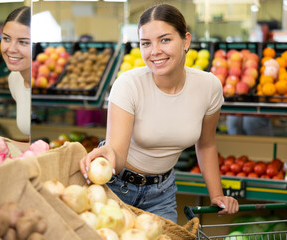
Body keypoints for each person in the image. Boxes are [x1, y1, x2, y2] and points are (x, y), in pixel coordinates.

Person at [80, 3, 239, 223]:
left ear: (186, 41)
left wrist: (217, 195)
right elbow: (117, 152)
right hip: (116, 187)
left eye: (165, 39)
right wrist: (106, 155)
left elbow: (206, 144)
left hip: (161, 194)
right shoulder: (128, 84)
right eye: (146, 43)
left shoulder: (208, 87)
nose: (155, 51)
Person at [1, 6, 31, 138]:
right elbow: (35, 143)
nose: (11, 49)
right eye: (6, 39)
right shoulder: (15, 79)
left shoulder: (53, 84)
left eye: (23, 42)